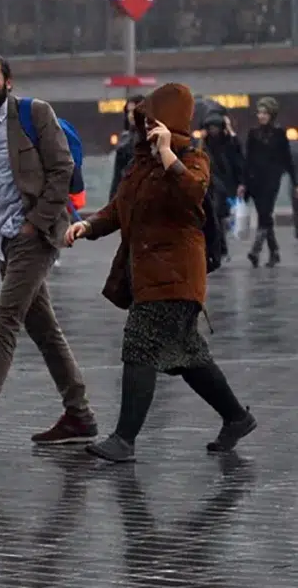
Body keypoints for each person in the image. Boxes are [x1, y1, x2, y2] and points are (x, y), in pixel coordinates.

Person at [65, 83, 256, 462]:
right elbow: (118, 208)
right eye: (144, 122)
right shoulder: (140, 163)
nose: (147, 128)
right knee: (188, 356)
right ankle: (237, 417)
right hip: (148, 274)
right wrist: (88, 226)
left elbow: (193, 193)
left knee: (140, 346)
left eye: (153, 122)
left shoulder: (191, 158)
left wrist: (169, 152)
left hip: (176, 275)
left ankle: (124, 439)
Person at [0, 53, 97, 454]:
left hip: (35, 234)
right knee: (43, 328)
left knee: (5, 320)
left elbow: (61, 171)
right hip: (1, 237)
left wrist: (36, 223)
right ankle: (79, 413)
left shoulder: (35, 114)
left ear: (8, 82)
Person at [242, 96, 295, 267]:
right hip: (255, 180)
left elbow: (287, 159)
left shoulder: (280, 134)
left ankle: (255, 251)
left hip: (272, 179)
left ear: (271, 114)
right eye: (259, 112)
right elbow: (248, 159)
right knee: (265, 216)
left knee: (265, 213)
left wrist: (295, 182)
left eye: (265, 112)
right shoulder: (252, 134)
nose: (261, 115)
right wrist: (243, 182)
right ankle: (275, 252)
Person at [199, 111, 245, 261]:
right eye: (211, 128)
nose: (213, 131)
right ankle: (218, 249)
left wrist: (241, 183)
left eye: (216, 127)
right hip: (209, 186)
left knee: (218, 217)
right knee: (215, 218)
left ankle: (219, 249)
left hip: (225, 186)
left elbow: (238, 162)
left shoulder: (229, 144)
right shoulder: (203, 145)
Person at [109, 96, 145, 200]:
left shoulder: (158, 139)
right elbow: (117, 181)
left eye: (135, 111)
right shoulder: (124, 144)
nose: (131, 115)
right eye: (129, 112)